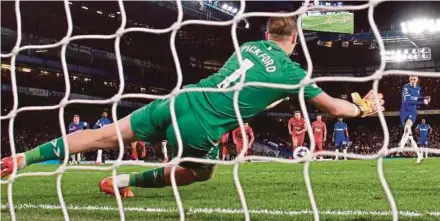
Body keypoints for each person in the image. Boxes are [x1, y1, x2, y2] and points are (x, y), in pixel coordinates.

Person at [1, 15, 384, 198]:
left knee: (103, 135)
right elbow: (334, 108)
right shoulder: (292, 72)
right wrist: (365, 108)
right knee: (198, 175)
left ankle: (23, 158)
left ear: (265, 34)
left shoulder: (248, 47)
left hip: (181, 98)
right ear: (295, 39)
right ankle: (118, 181)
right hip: (202, 124)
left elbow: (277, 37)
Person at [398, 76, 430, 164]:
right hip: (404, 111)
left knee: (407, 127)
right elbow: (409, 100)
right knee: (411, 137)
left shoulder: (418, 88)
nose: (412, 81)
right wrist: (422, 102)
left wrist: (423, 98)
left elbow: (416, 96)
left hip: (412, 112)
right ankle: (419, 156)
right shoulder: (406, 87)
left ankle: (401, 148)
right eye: (411, 79)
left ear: (417, 80)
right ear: (409, 79)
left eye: (414, 79)